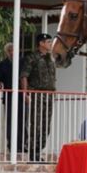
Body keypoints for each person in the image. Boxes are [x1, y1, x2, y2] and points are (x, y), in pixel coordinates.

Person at [21, 33, 56, 162]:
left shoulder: (50, 58)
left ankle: (39, 150)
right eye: (48, 42)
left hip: (49, 95)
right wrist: (25, 93)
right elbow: (24, 75)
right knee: (36, 124)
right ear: (41, 43)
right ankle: (32, 152)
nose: (50, 44)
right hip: (37, 94)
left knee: (46, 126)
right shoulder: (32, 57)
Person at [0, 43, 24, 153]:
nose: (12, 52)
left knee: (22, 120)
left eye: (14, 50)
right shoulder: (2, 65)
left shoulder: (23, 62)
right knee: (10, 121)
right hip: (9, 96)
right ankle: (11, 144)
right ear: (7, 52)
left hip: (21, 95)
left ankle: (21, 144)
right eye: (10, 50)